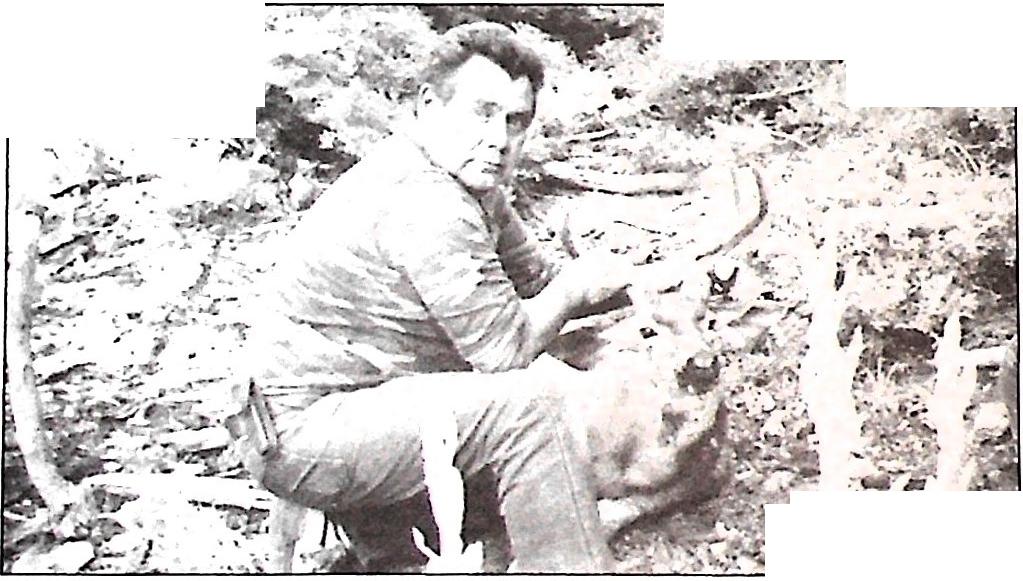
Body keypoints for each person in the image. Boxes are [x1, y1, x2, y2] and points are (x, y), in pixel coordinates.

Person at [230, 22, 632, 572]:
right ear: (427, 105)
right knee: (528, 407)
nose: (499, 139)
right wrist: (576, 289)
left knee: (536, 398)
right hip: (309, 434)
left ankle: (397, 545)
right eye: (481, 112)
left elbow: (537, 279)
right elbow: (505, 353)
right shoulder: (427, 202)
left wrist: (638, 283)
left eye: (515, 121)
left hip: (349, 406)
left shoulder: (464, 182)